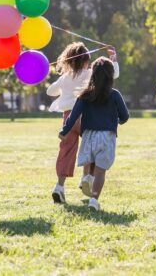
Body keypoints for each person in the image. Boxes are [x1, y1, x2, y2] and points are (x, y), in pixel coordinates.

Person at [47, 42, 119, 204]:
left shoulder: (65, 78)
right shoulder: (89, 74)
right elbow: (113, 74)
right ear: (86, 61)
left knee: (66, 152)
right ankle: (86, 177)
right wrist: (113, 58)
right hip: (86, 117)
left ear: (69, 61)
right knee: (91, 148)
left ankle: (59, 186)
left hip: (68, 119)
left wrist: (64, 85)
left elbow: (50, 91)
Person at [59, 57, 129, 211]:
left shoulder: (84, 95)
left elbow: (73, 115)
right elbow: (125, 116)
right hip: (107, 136)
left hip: (89, 136)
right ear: (110, 76)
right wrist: (118, 121)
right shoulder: (115, 94)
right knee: (101, 170)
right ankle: (94, 199)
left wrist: (64, 131)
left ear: (93, 74)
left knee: (91, 162)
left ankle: (87, 178)